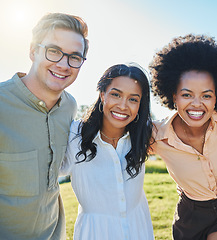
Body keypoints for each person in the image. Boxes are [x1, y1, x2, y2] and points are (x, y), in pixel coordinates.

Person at [149, 34, 217, 240]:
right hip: (190, 217)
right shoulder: (157, 135)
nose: (197, 104)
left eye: (206, 95)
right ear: (173, 96)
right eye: (187, 95)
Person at [0, 13, 88, 239]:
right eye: (54, 51)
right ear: (33, 51)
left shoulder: (70, 106)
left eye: (74, 57)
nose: (63, 64)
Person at [60, 64, 154, 240]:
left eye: (133, 99)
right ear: (102, 95)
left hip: (138, 230)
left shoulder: (144, 135)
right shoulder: (74, 135)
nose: (123, 105)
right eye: (116, 94)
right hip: (95, 233)